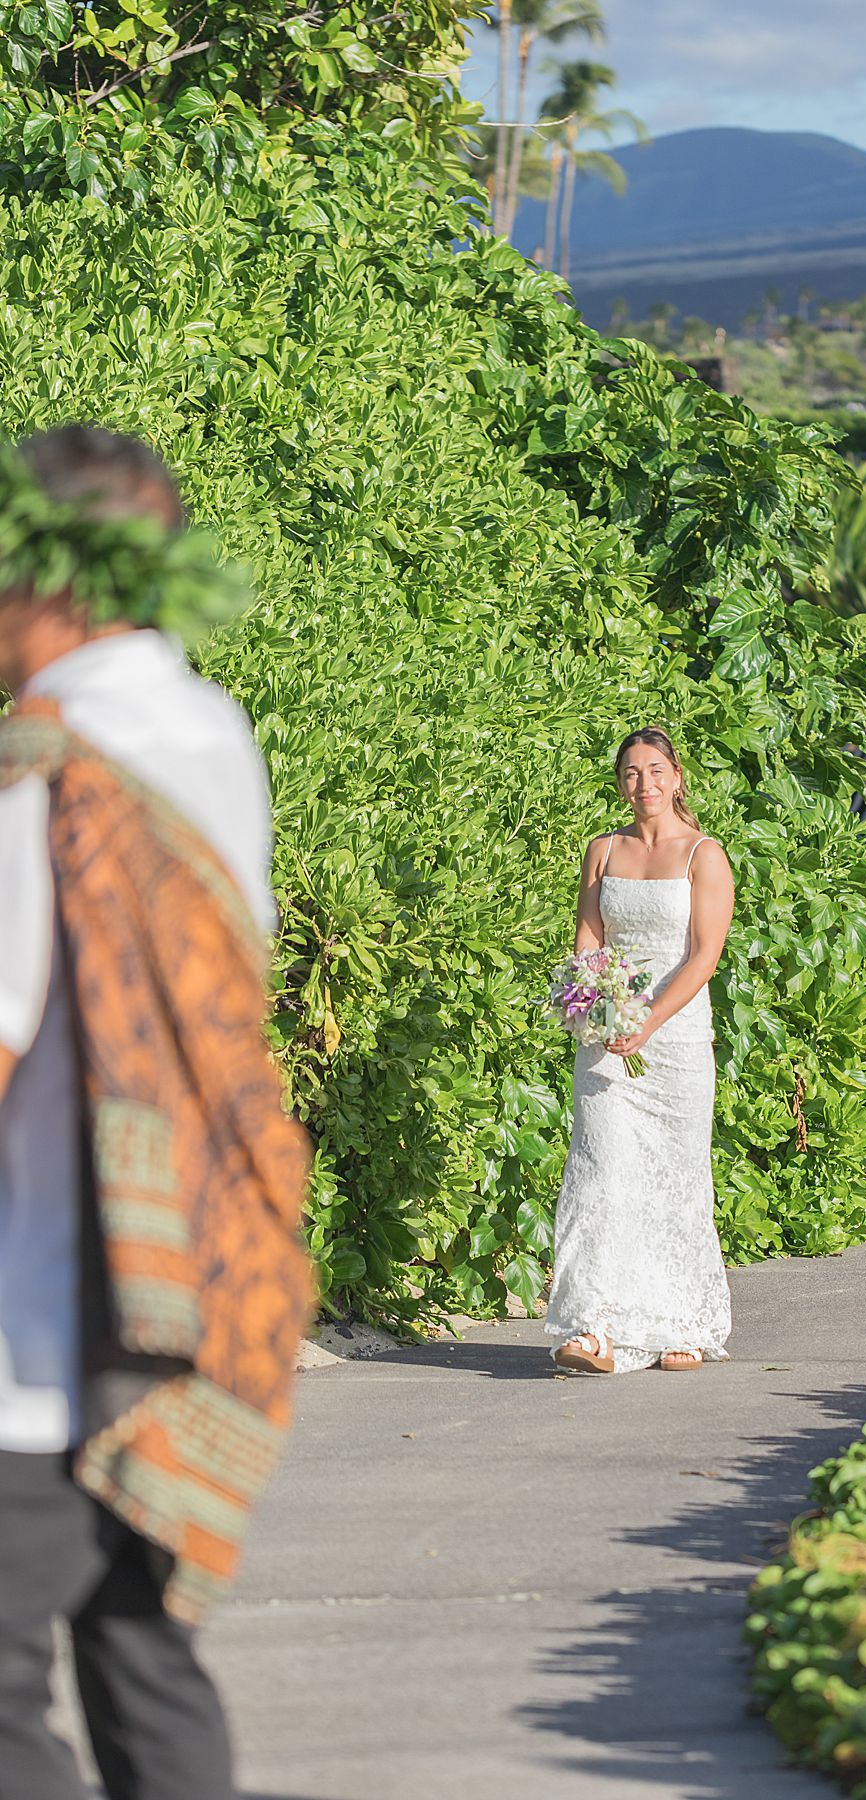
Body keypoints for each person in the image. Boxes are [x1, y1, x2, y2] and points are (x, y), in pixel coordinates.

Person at [0, 425, 313, 1800]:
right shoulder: (210, 733)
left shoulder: (43, 770)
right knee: (142, 1661)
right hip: (194, 1280)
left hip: (41, 1327)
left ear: (53, 577)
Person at [545, 726, 736, 1375]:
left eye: (655, 770)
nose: (644, 784)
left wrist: (648, 1021)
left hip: (674, 1035)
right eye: (631, 772)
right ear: (621, 782)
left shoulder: (703, 855)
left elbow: (704, 954)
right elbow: (589, 938)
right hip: (604, 1034)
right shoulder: (604, 849)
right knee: (600, 1171)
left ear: (676, 777)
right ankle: (590, 1327)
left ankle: (680, 1323)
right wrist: (593, 1004)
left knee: (675, 1179)